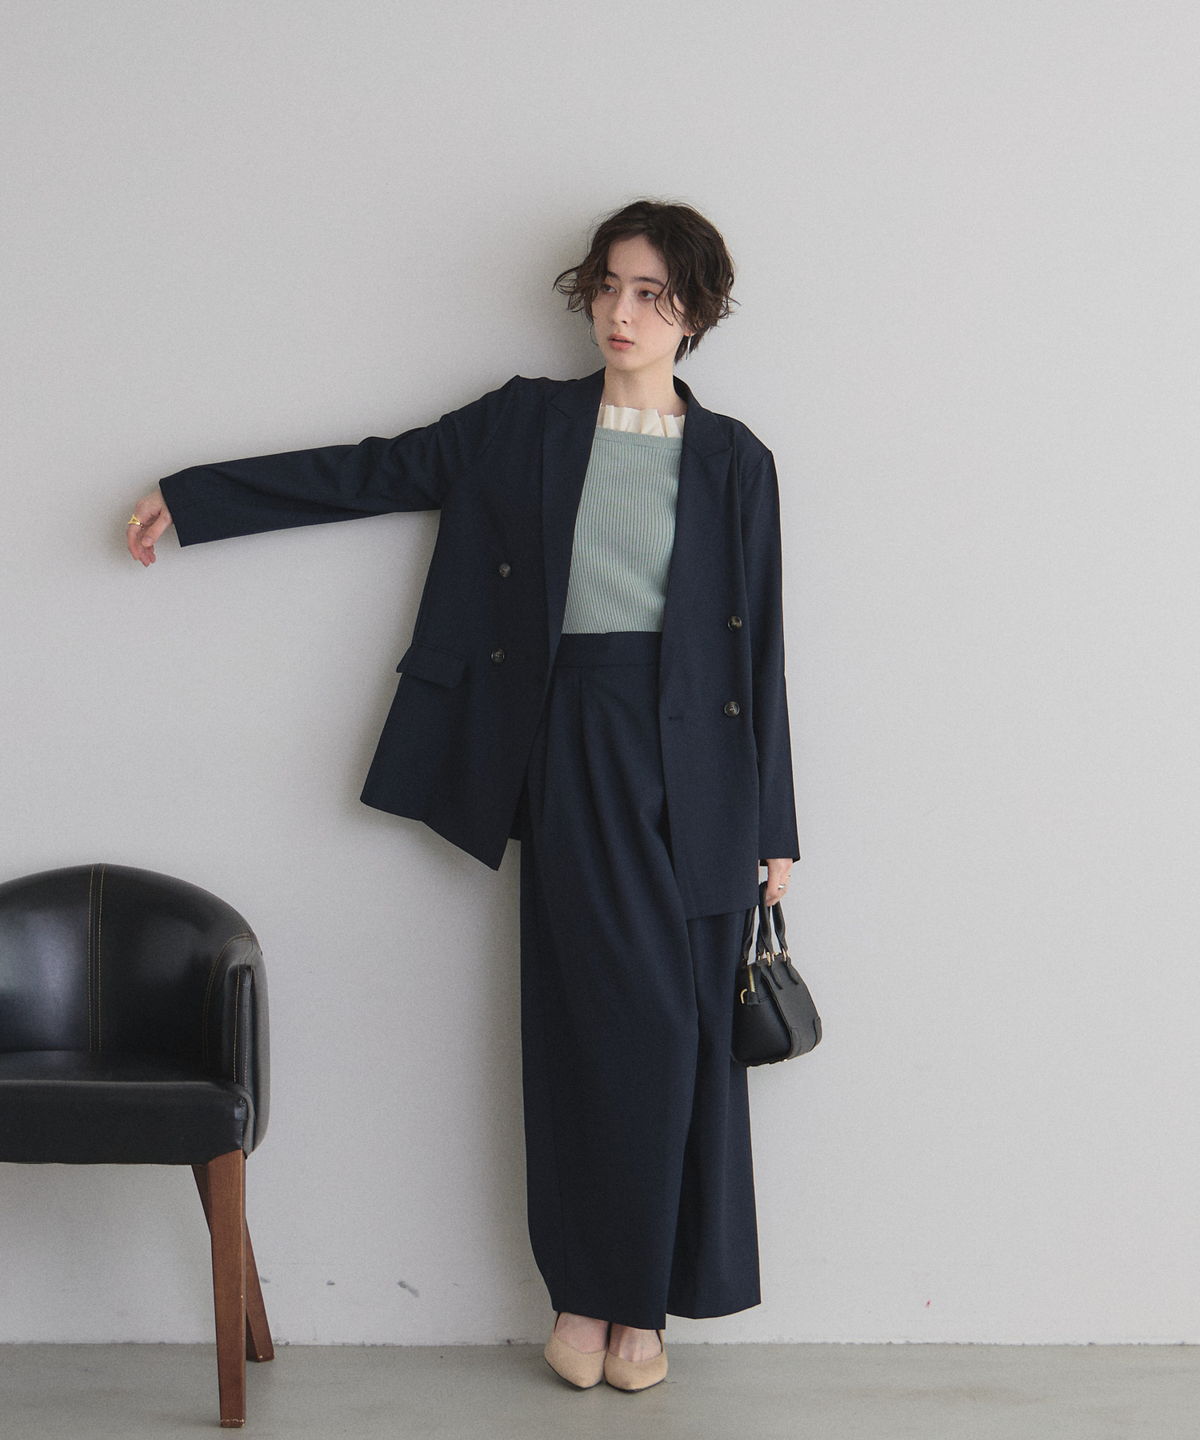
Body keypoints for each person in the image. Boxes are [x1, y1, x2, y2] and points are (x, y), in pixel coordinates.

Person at [125, 198, 799, 1393]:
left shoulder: (738, 461)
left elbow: (763, 656)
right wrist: (199, 498)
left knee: (684, 1037)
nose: (622, 311)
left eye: (651, 293)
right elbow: (377, 470)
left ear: (695, 311)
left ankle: (638, 1306)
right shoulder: (527, 423)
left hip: (707, 779)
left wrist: (777, 827)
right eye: (609, 285)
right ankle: (589, 1298)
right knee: (595, 1027)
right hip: (575, 741)